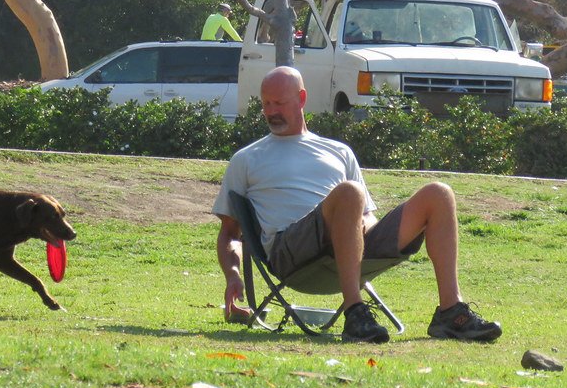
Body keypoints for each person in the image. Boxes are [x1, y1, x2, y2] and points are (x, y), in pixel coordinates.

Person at [212, 66, 502, 343]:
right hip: (292, 253)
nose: (271, 111)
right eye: (266, 103)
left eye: (279, 102)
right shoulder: (247, 159)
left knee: (439, 193)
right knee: (349, 192)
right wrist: (233, 275)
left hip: (351, 245)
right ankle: (354, 310)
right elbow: (229, 234)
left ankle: (450, 311)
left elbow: (366, 216)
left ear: (301, 99)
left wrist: (359, 227)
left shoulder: (339, 151)